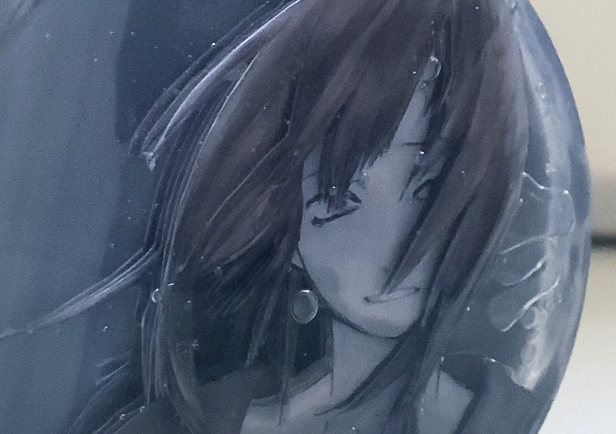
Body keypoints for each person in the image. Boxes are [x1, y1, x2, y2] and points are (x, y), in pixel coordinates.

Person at [1, 0, 588, 433]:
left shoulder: (494, 409)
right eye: (340, 202)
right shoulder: (188, 421)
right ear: (284, 218)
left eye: (430, 187)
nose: (394, 248)